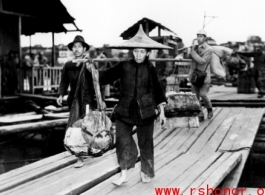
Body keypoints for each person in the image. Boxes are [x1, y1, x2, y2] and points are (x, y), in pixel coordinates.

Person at [86, 25, 168, 186]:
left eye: (142, 51)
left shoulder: (150, 68)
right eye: (136, 51)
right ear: (132, 51)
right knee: (122, 140)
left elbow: (158, 91)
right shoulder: (124, 66)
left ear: (147, 53)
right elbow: (105, 77)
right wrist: (93, 70)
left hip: (146, 111)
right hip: (124, 110)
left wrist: (162, 112)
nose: (138, 55)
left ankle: (146, 171)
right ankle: (123, 174)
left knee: (146, 144)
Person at [57, 35, 96, 168]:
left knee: (87, 126)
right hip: (74, 101)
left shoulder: (89, 63)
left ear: (84, 49)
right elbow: (64, 81)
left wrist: (88, 65)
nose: (76, 49)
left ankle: (88, 150)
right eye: (74, 47)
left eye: (79, 46)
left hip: (87, 100)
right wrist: (61, 94)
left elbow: (96, 81)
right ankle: (80, 157)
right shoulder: (68, 65)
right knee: (75, 128)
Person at [187, 30, 213, 121]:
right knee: (195, 96)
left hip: (204, 77)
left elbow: (202, 61)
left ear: (205, 38)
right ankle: (200, 113)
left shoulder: (209, 49)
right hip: (194, 76)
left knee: (203, 94)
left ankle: (209, 109)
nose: (198, 38)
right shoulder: (195, 47)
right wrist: (190, 50)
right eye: (197, 36)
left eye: (201, 36)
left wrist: (193, 52)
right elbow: (188, 57)